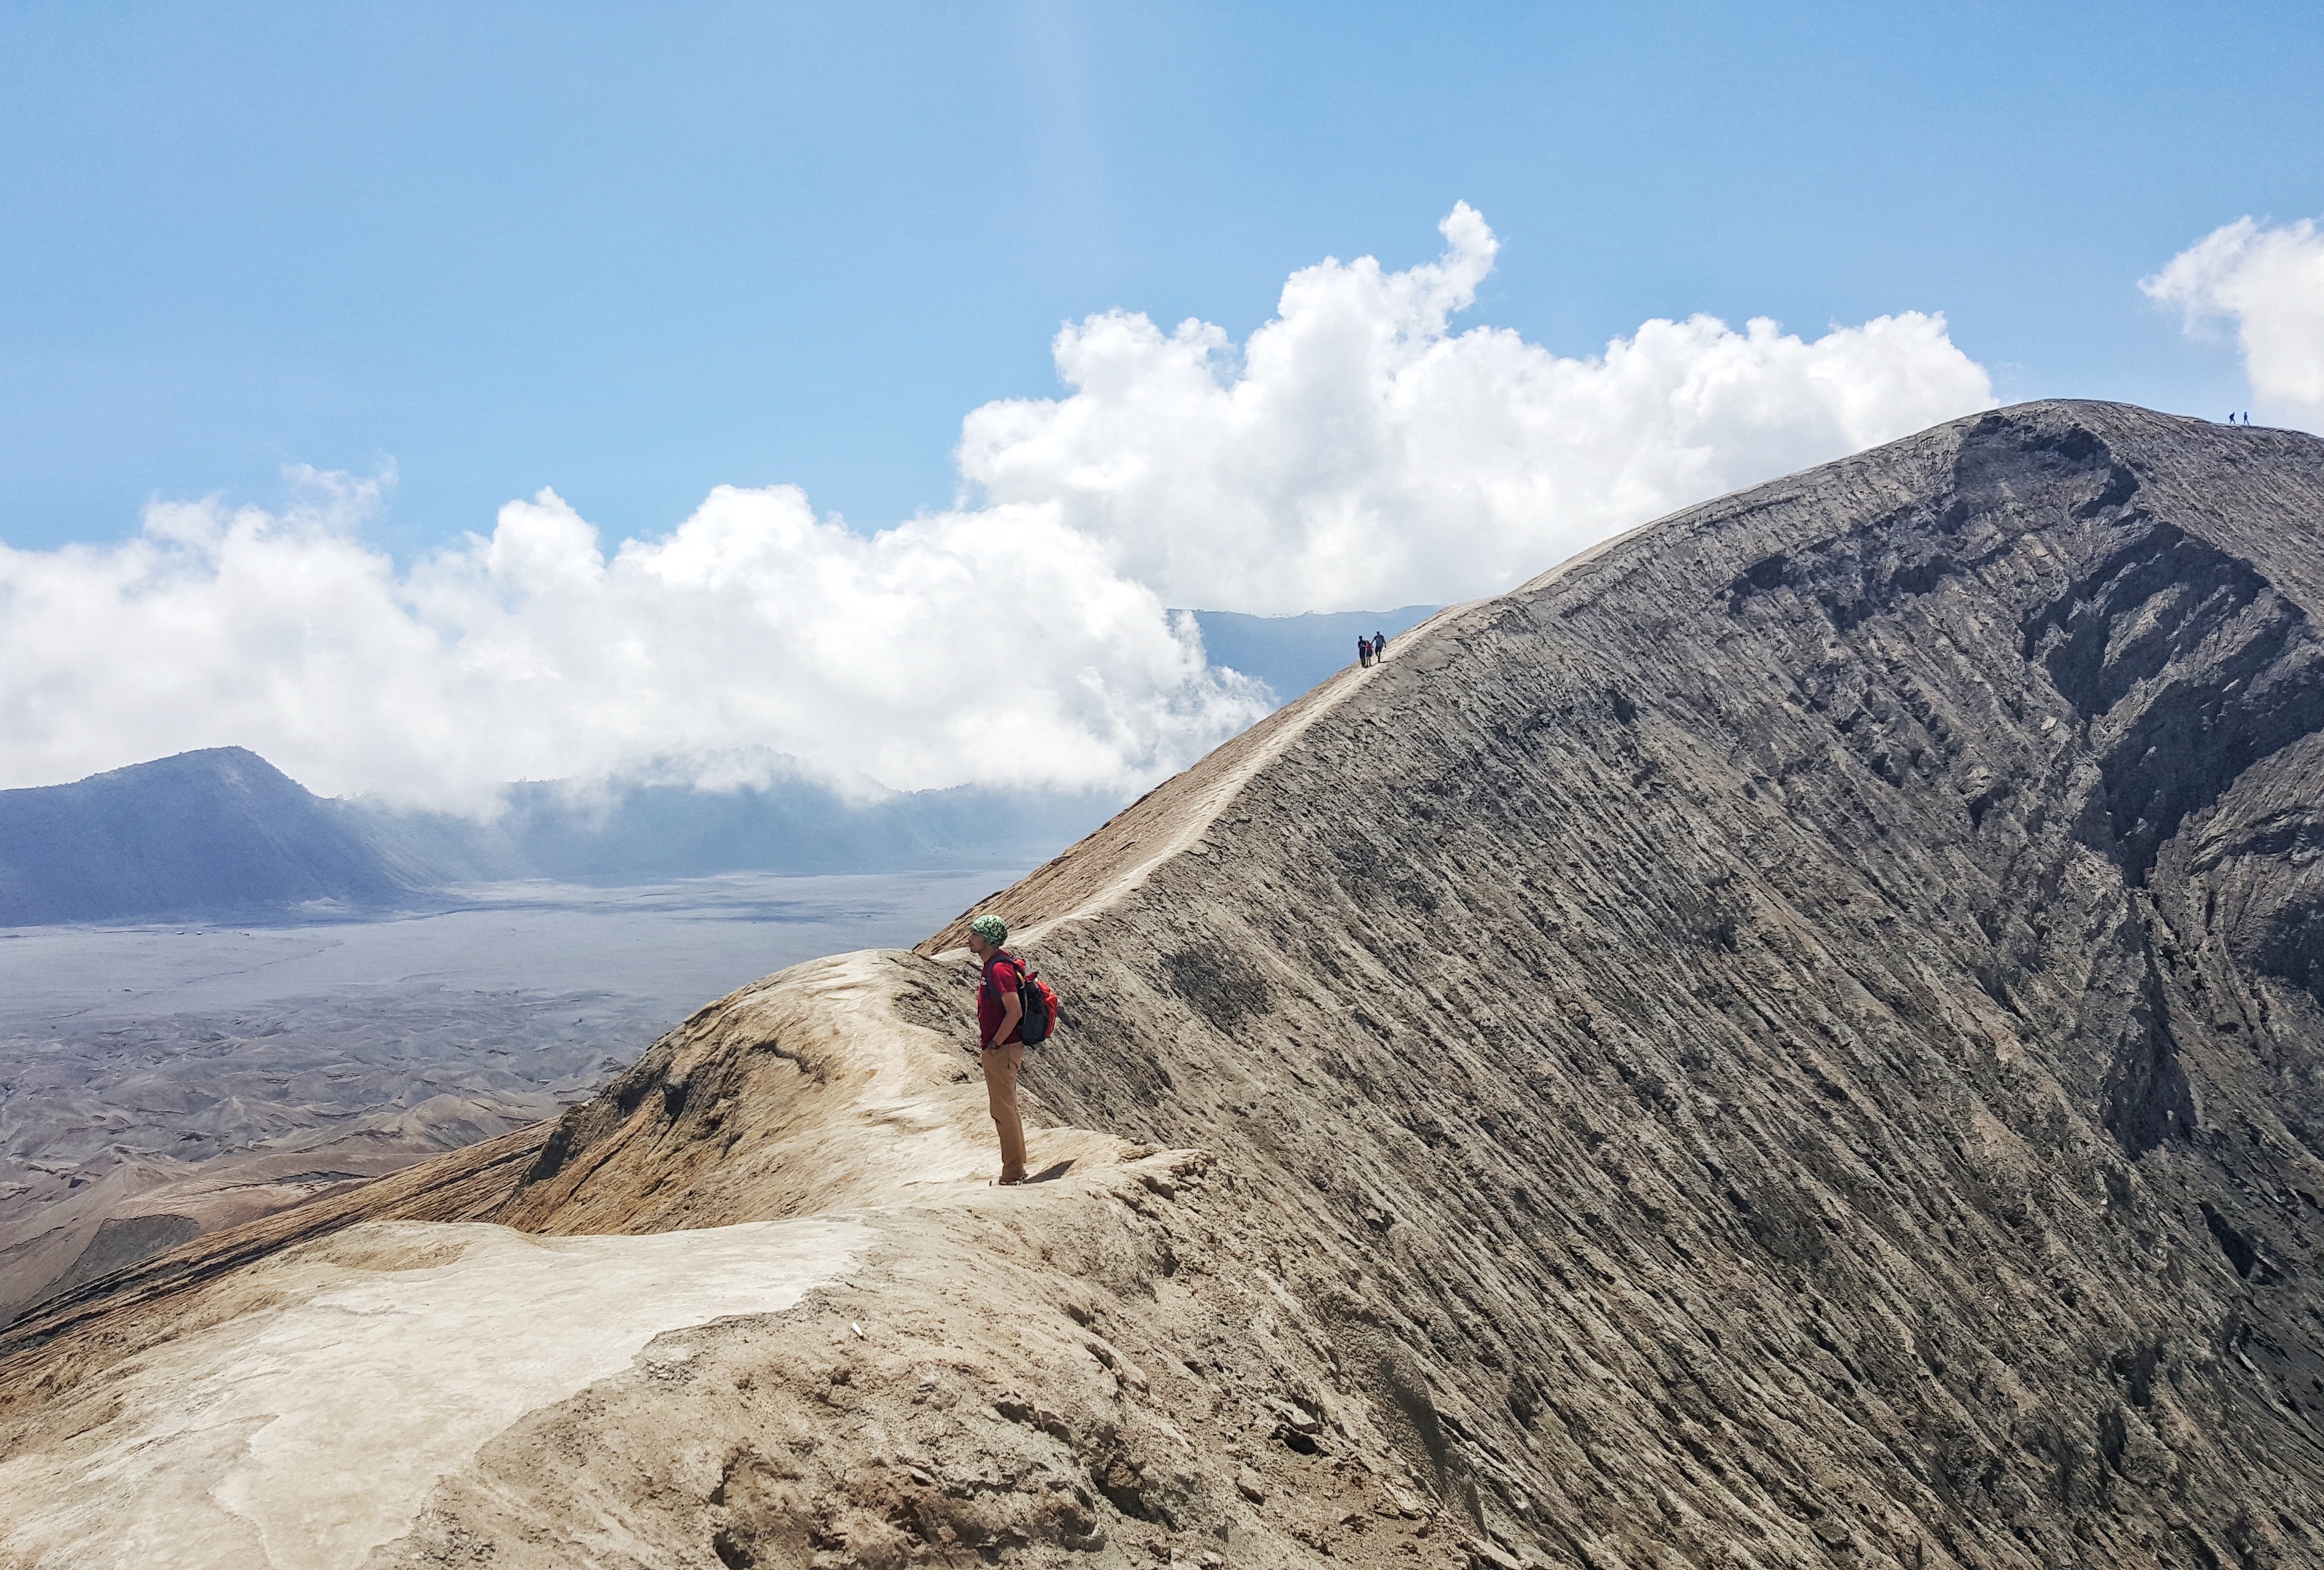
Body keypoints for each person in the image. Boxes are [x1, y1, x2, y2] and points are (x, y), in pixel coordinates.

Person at [966, 913, 1029, 1184]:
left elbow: (1013, 1011)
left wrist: (995, 1043)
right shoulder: (993, 964)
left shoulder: (998, 969)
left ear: (988, 940)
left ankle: (1013, 1172)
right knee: (1006, 1109)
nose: (969, 939)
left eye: (975, 934)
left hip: (1002, 1050)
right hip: (1002, 1048)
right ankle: (1017, 1167)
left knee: (1003, 1111)